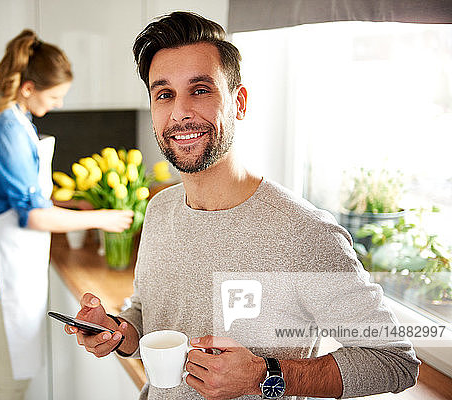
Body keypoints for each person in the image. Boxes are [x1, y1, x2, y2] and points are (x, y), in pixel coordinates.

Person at [65, 12, 420, 400]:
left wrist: (264, 376)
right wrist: (117, 331)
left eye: (200, 90)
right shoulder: (160, 209)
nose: (180, 112)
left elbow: (394, 360)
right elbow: (149, 316)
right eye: (164, 94)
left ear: (239, 103)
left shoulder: (303, 233)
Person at [0, 29, 133, 399]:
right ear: (27, 87)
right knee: (13, 378)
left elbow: (22, 192)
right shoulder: (6, 127)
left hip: (10, 256)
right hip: (5, 263)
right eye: (54, 96)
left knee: (14, 371)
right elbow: (34, 216)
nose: (57, 104)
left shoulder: (9, 117)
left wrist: (74, 205)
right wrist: (101, 218)